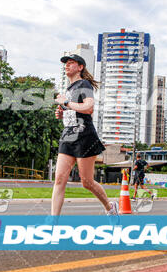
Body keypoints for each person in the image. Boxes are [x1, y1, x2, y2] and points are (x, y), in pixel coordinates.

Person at [51, 54, 119, 220]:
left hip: (85, 137)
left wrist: (66, 103)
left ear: (80, 67)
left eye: (71, 63)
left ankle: (110, 207)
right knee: (59, 179)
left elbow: (88, 108)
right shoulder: (68, 89)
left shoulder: (84, 84)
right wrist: (63, 114)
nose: (67, 65)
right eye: (66, 63)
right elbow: (74, 112)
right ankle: (53, 223)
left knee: (87, 182)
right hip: (68, 136)